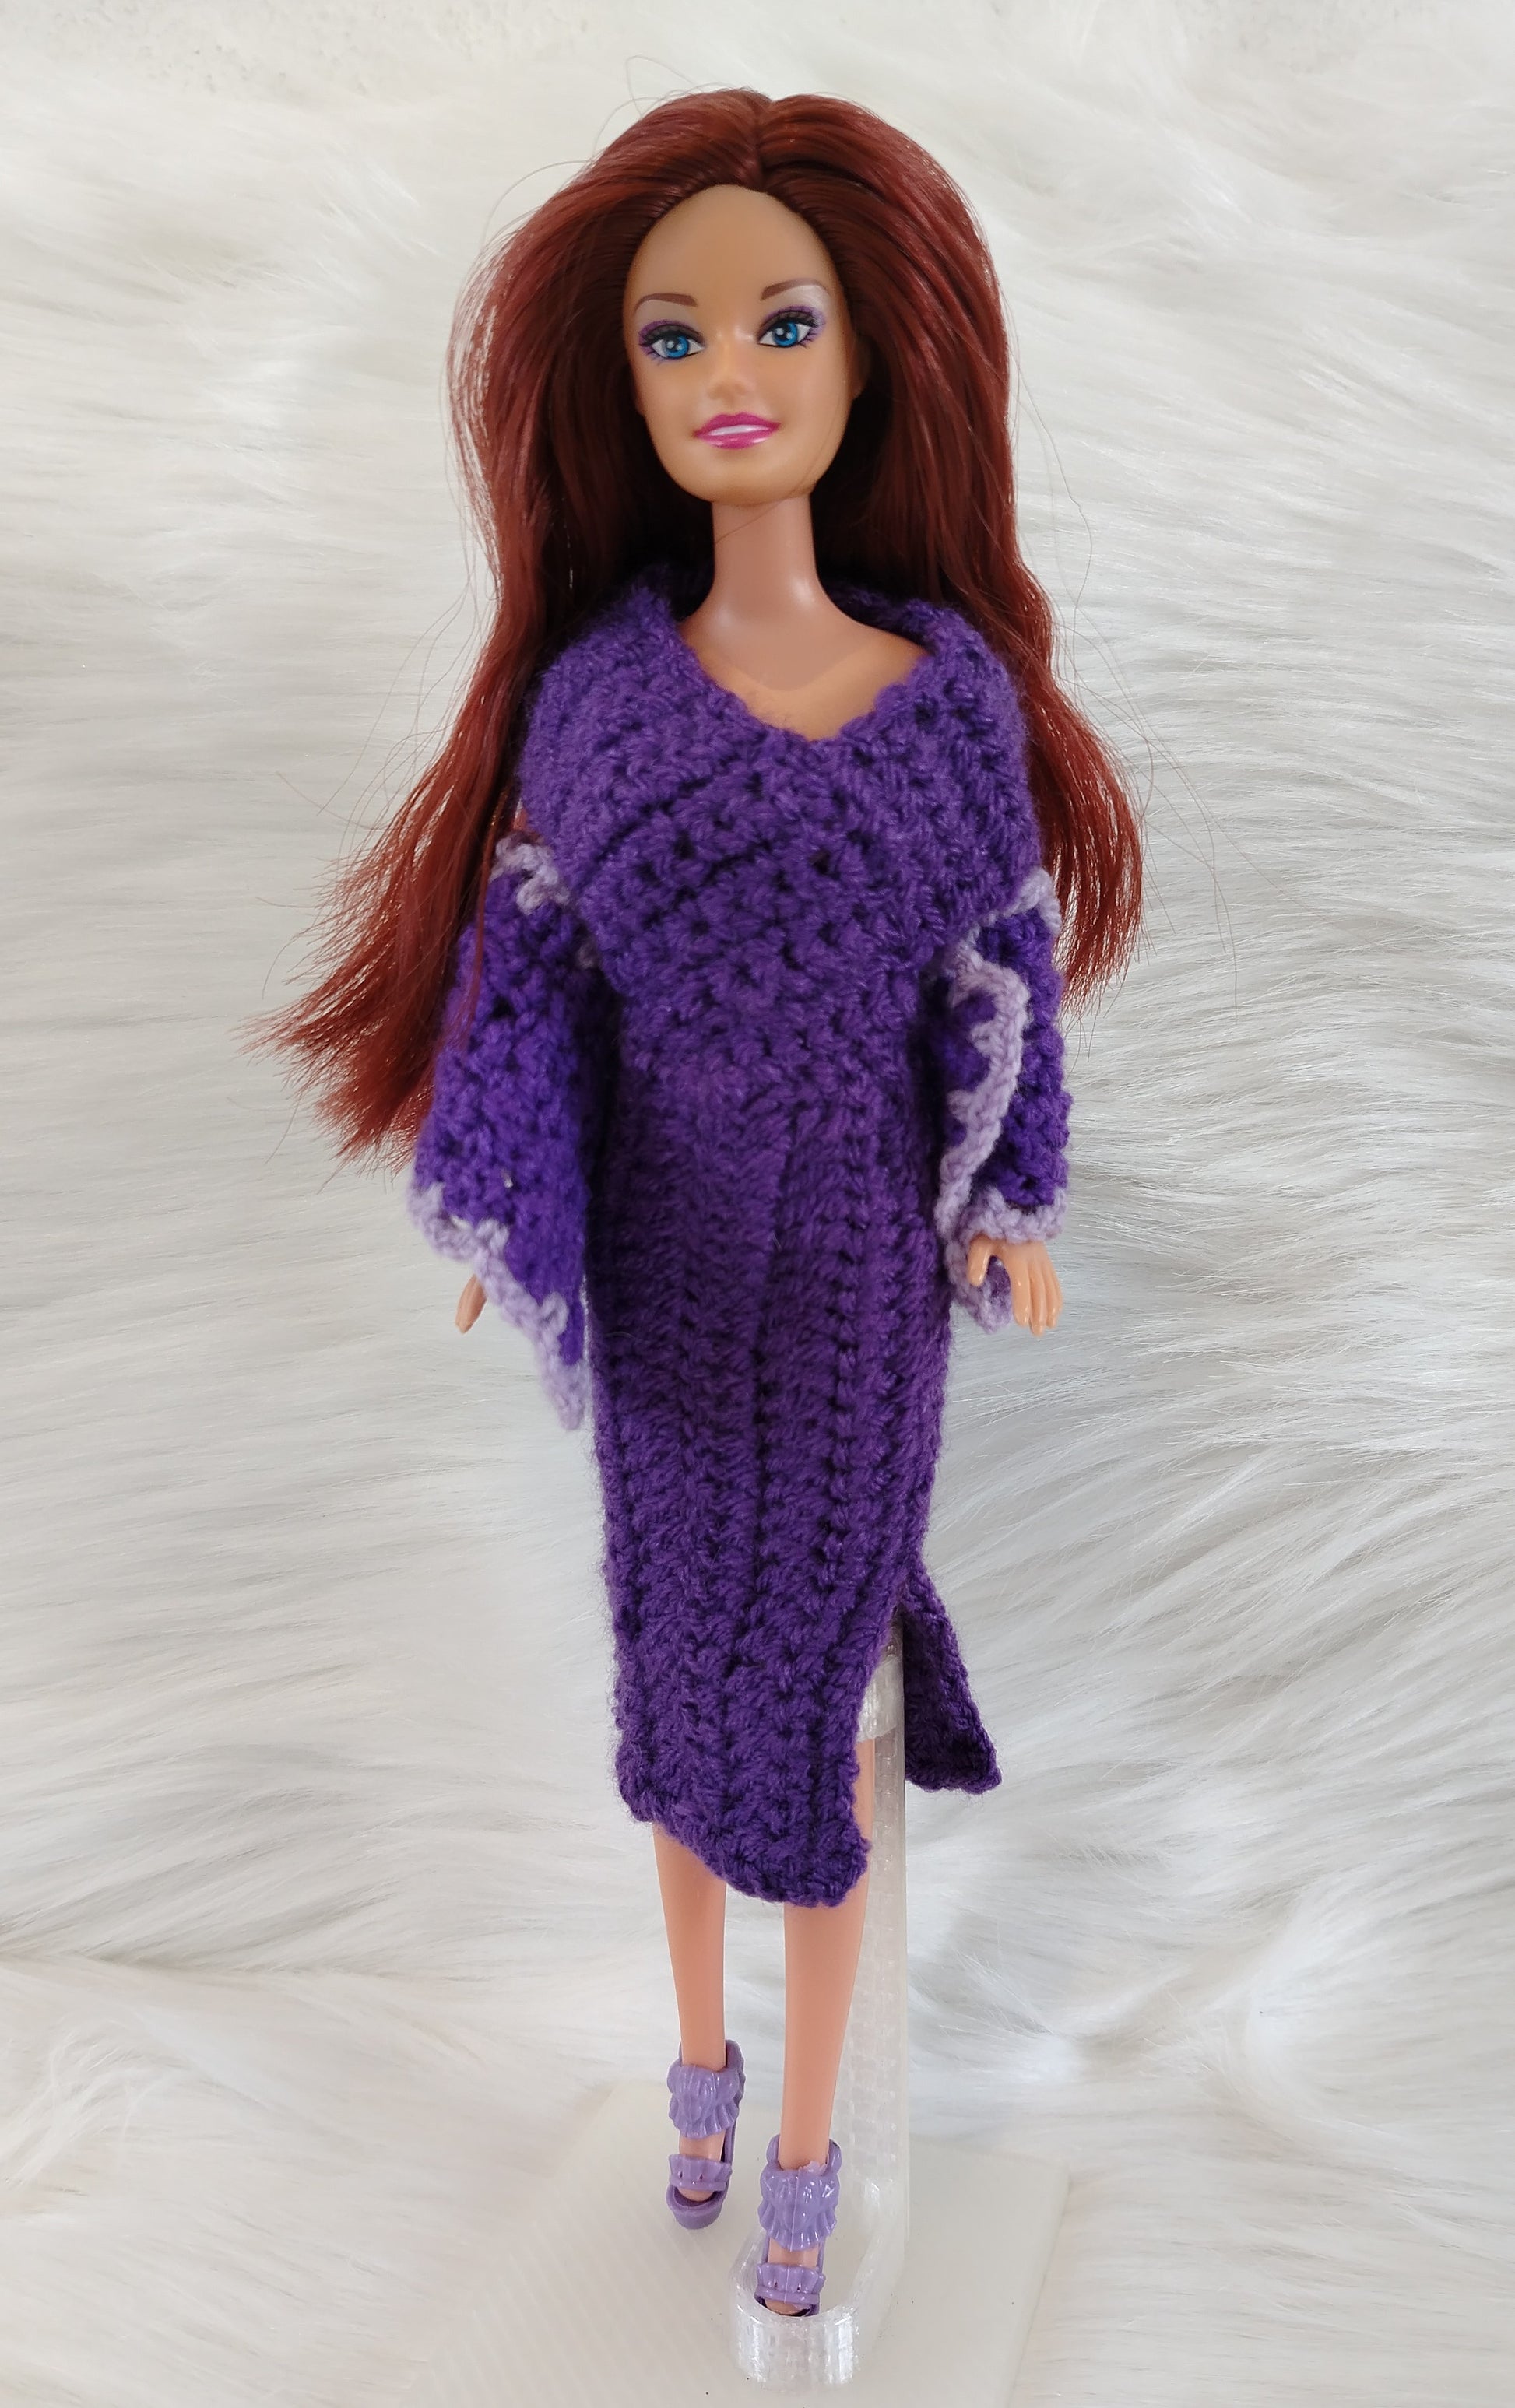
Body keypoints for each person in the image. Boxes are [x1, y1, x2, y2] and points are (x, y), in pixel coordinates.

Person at [261, 89, 1141, 2318]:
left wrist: (1004, 1201)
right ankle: (695, 2063)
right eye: (673, 337)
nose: (726, 374)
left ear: (874, 355)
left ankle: (815, 2145)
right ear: (621, 380)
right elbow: (533, 974)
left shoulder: (945, 713)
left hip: (852, 1274)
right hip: (660, 1260)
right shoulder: (598, 708)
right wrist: (506, 1209)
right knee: (673, 1673)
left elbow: (996, 981)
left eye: (779, 323)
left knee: (826, 1690)